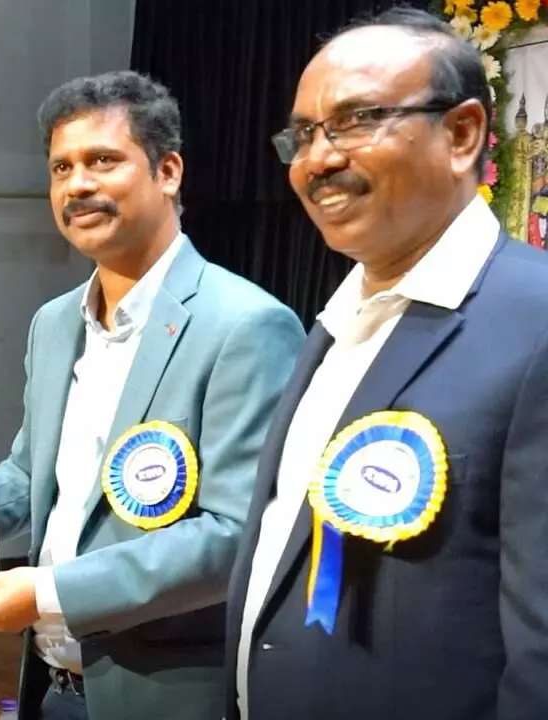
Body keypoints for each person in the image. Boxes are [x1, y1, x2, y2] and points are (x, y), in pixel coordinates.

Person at [0, 71, 305, 720]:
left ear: (168, 171)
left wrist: (49, 592)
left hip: (167, 695)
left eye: (103, 160)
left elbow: (236, 534)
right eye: (61, 168)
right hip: (49, 688)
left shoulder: (245, 325)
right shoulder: (54, 322)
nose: (78, 184)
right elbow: (36, 476)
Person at [225, 8, 548, 720]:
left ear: (461, 134)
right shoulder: (336, 319)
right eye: (303, 134)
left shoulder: (536, 323)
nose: (318, 159)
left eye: (356, 119)